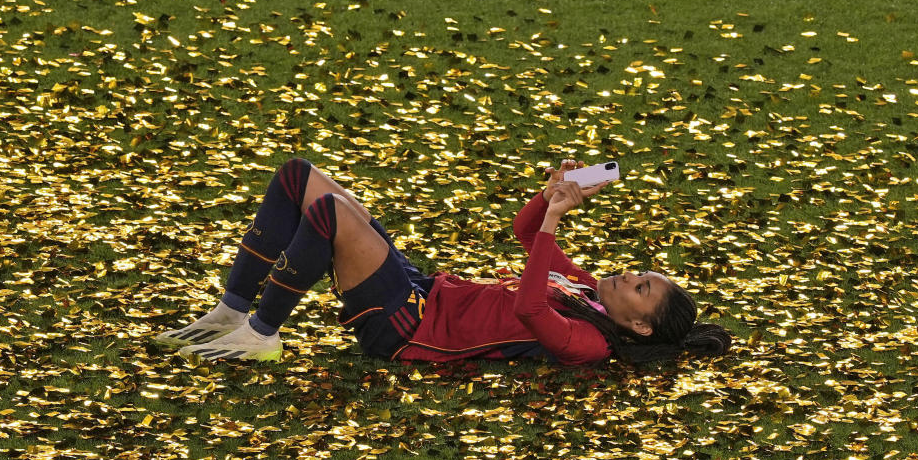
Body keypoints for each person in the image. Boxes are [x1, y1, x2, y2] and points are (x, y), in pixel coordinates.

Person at [154, 157, 732, 365]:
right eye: (642, 274)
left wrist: (558, 219)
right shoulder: (584, 289)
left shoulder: (592, 343)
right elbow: (525, 233)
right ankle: (232, 312)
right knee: (297, 177)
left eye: (642, 289)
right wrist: (551, 195)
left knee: (329, 212)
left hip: (407, 327)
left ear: (639, 324)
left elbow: (531, 307)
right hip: (419, 288)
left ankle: (262, 332)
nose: (632, 275)